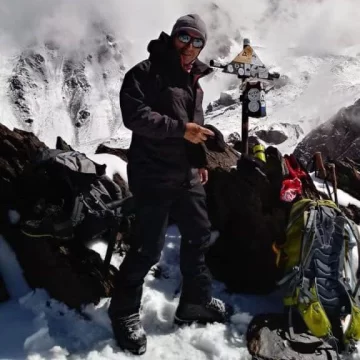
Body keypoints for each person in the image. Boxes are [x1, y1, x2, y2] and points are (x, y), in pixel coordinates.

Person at [108, 14, 230, 355]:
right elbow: (135, 116)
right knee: (147, 247)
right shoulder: (145, 74)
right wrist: (181, 130)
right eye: (184, 37)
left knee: (198, 236)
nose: (190, 46)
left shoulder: (194, 81)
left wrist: (200, 159)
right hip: (152, 174)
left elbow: (194, 126)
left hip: (186, 175)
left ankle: (195, 301)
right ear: (172, 37)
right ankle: (124, 312)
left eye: (197, 41)